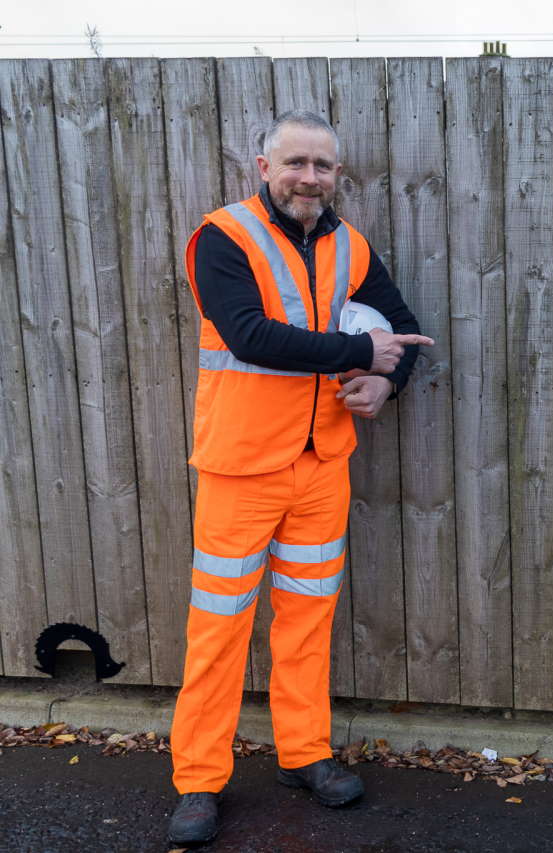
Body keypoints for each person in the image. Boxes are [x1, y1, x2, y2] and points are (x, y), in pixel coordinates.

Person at [166, 110, 433, 847]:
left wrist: (387, 384)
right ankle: (198, 777)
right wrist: (359, 349)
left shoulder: (350, 245)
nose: (308, 177)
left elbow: (400, 329)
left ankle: (305, 752)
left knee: (308, 620)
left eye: (322, 165)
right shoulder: (222, 237)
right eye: (295, 163)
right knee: (218, 629)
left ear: (337, 175)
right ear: (264, 167)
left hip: (323, 467)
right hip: (241, 466)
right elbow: (249, 334)